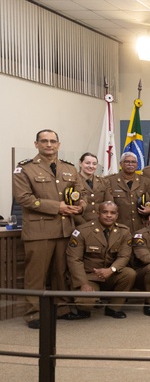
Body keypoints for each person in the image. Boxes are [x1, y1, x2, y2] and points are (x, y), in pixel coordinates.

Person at [12, 129, 85, 328]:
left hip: (65, 229)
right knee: (36, 274)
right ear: (36, 144)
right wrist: (57, 207)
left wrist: (81, 206)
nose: (49, 145)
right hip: (39, 231)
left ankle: (62, 308)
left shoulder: (68, 168)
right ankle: (34, 313)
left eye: (53, 141)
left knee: (61, 273)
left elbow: (81, 192)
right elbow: (24, 198)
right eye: (44, 141)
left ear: (59, 145)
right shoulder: (25, 169)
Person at [66, 201, 136, 318]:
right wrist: (83, 283)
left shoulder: (124, 231)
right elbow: (74, 259)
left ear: (117, 215)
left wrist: (111, 270)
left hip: (110, 275)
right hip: (89, 276)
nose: (109, 215)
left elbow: (124, 256)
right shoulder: (83, 231)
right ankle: (85, 307)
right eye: (105, 212)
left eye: (112, 213)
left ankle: (113, 308)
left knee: (129, 273)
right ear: (98, 213)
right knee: (85, 304)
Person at [108, 151, 150, 233]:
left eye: (133, 162)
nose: (130, 164)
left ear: (137, 165)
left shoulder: (145, 181)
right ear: (121, 164)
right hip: (118, 226)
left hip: (141, 226)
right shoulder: (110, 181)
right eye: (127, 161)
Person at [74, 151, 110, 225]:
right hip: (79, 224)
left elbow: (109, 204)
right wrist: (85, 226)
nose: (91, 166)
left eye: (94, 164)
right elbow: (71, 207)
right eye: (87, 163)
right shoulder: (73, 181)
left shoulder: (103, 181)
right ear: (80, 163)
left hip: (100, 223)